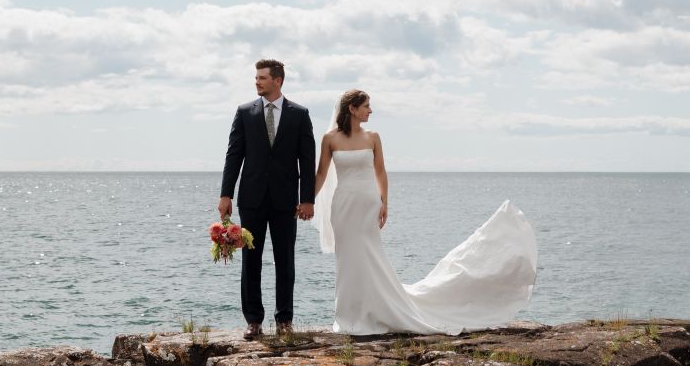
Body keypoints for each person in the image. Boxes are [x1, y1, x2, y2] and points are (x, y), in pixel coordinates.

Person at [311, 89, 536, 334]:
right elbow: (322, 173)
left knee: (369, 255)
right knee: (347, 258)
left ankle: (376, 309)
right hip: (343, 206)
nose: (370, 110)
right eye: (366, 106)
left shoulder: (373, 137)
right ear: (352, 109)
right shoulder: (330, 139)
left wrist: (384, 202)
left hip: (367, 205)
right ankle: (349, 313)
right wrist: (308, 201)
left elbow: (380, 172)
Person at [218, 59, 316, 340]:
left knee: (285, 260)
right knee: (251, 260)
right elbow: (234, 155)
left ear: (278, 80)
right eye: (256, 77)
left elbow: (307, 160)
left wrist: (307, 199)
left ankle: (284, 320)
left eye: (262, 78)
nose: (257, 82)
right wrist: (226, 194)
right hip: (252, 198)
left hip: (287, 200)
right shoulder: (244, 112)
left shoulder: (299, 114)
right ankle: (253, 321)